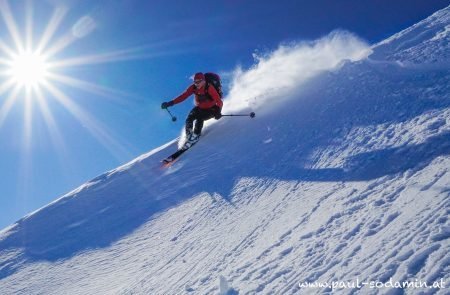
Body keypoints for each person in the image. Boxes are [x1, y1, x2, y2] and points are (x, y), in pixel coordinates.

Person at [161, 72, 223, 143]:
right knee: (189, 118)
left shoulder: (209, 88)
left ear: (203, 81)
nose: (197, 84)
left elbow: (219, 101)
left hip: (212, 109)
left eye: (199, 82)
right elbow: (183, 96)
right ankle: (189, 136)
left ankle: (195, 136)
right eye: (195, 82)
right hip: (200, 108)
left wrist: (218, 111)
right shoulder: (193, 87)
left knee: (200, 118)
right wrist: (170, 103)